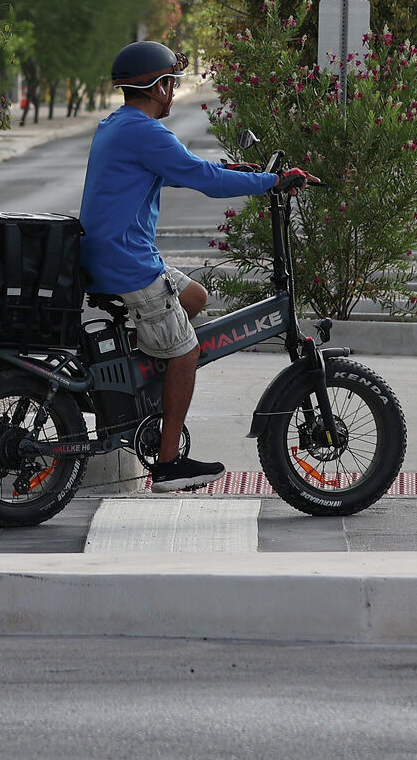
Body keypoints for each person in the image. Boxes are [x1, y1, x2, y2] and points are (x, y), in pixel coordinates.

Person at [79, 40, 313, 492]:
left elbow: (185, 168)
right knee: (186, 353)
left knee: (195, 297)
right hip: (128, 265)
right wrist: (272, 181)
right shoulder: (146, 133)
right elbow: (202, 179)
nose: (173, 90)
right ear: (158, 86)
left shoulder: (118, 126)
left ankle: (145, 373)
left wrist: (241, 171)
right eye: (171, 82)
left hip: (112, 256)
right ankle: (167, 465)